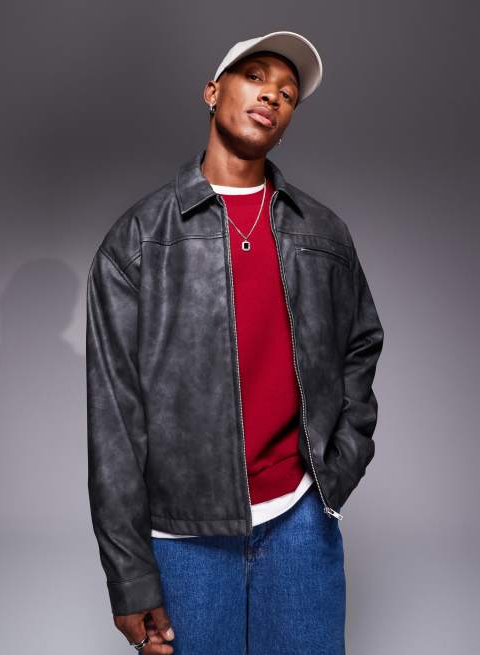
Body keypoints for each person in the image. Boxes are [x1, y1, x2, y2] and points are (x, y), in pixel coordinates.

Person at [86, 30, 384, 655]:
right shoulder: (137, 239)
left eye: (287, 93)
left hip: (299, 524)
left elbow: (363, 342)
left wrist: (340, 465)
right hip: (183, 538)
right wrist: (129, 574)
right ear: (212, 92)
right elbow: (113, 419)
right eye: (255, 77)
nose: (271, 95)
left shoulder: (323, 233)